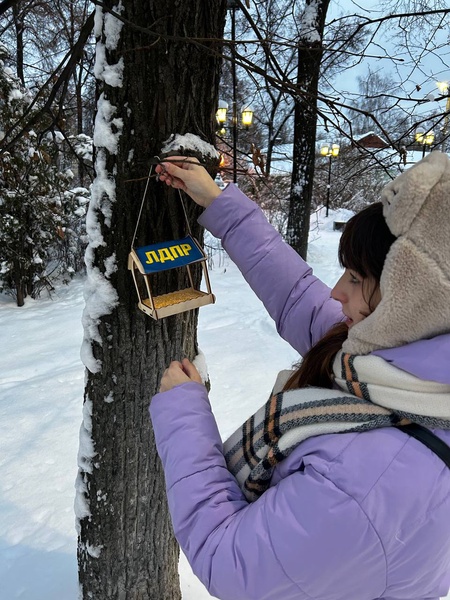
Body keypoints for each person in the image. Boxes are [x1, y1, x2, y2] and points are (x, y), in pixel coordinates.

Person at [149, 151, 450, 600]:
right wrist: (218, 202)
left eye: (354, 276)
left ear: (410, 301)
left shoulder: (367, 489)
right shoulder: (398, 365)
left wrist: (183, 414)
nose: (336, 291)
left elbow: (230, 562)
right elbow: (297, 296)